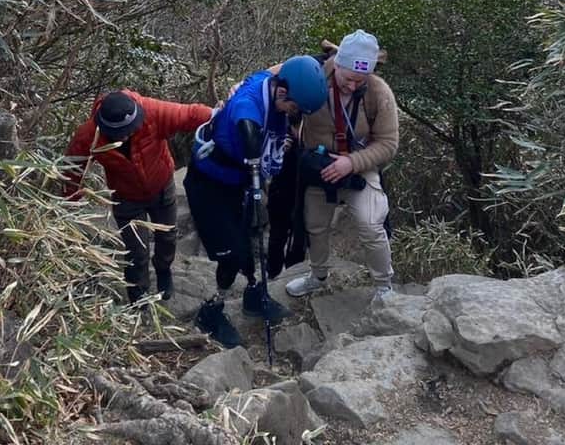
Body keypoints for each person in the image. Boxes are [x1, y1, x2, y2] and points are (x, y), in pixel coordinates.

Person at [185, 55, 327, 348]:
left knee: (251, 240)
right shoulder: (247, 108)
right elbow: (246, 125)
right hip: (209, 185)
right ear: (283, 93)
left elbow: (289, 67)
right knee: (231, 254)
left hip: (237, 181)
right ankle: (211, 310)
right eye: (294, 109)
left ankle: (253, 293)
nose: (293, 116)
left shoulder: (273, 84)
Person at [63, 90, 213, 304]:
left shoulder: (152, 112)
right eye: (120, 134)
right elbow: (72, 169)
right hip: (125, 198)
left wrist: (224, 114)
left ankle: (163, 270)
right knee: (136, 251)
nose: (126, 136)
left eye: (129, 130)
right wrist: (69, 202)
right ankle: (137, 295)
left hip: (162, 187)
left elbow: (190, 114)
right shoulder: (89, 136)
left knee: (167, 237)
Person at [284, 30, 400, 303]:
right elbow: (278, 79)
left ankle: (384, 286)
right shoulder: (314, 77)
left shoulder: (377, 92)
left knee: (371, 224)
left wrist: (352, 162)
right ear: (336, 64)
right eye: (347, 79)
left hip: (360, 165)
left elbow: (388, 143)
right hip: (319, 165)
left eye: (360, 81)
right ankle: (317, 275)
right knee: (315, 225)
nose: (352, 86)